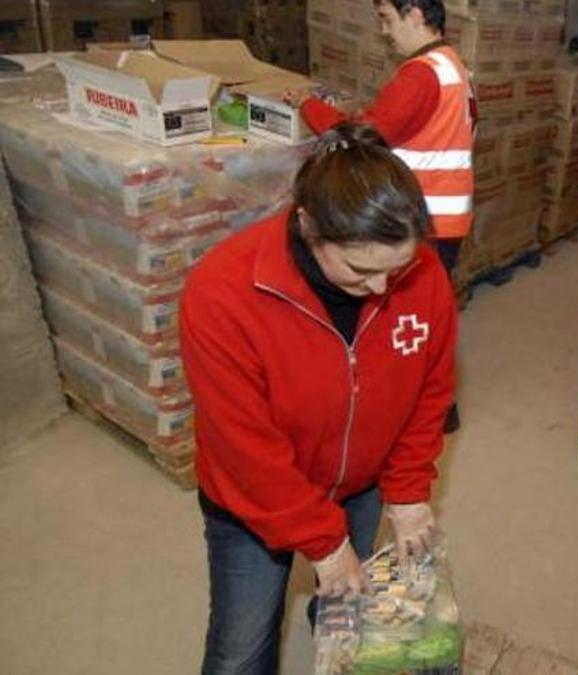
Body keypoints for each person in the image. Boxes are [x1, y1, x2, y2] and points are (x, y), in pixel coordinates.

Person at [180, 123, 457, 675]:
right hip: (251, 503)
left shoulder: (421, 278)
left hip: (360, 484)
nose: (383, 290)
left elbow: (430, 392)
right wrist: (324, 542)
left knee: (345, 611)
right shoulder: (223, 294)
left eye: (396, 268)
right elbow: (244, 449)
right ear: (308, 224)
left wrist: (406, 491)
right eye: (361, 270)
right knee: (241, 647)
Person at [299, 0, 471, 432]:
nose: (384, 32)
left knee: (403, 321)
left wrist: (309, 107)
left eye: (387, 19)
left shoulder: (421, 73)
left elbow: (365, 137)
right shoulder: (452, 64)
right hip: (444, 216)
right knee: (428, 312)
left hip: (414, 222)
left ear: (415, 14)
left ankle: (419, 408)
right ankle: (438, 405)